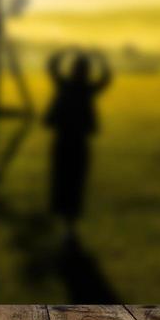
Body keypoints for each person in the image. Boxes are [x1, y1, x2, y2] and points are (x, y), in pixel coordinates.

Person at [43, 48, 112, 238]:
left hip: (63, 140)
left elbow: (52, 67)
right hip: (78, 142)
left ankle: (62, 213)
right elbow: (106, 79)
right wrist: (101, 59)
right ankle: (69, 218)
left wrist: (64, 52)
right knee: (74, 179)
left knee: (61, 177)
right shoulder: (87, 90)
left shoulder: (65, 85)